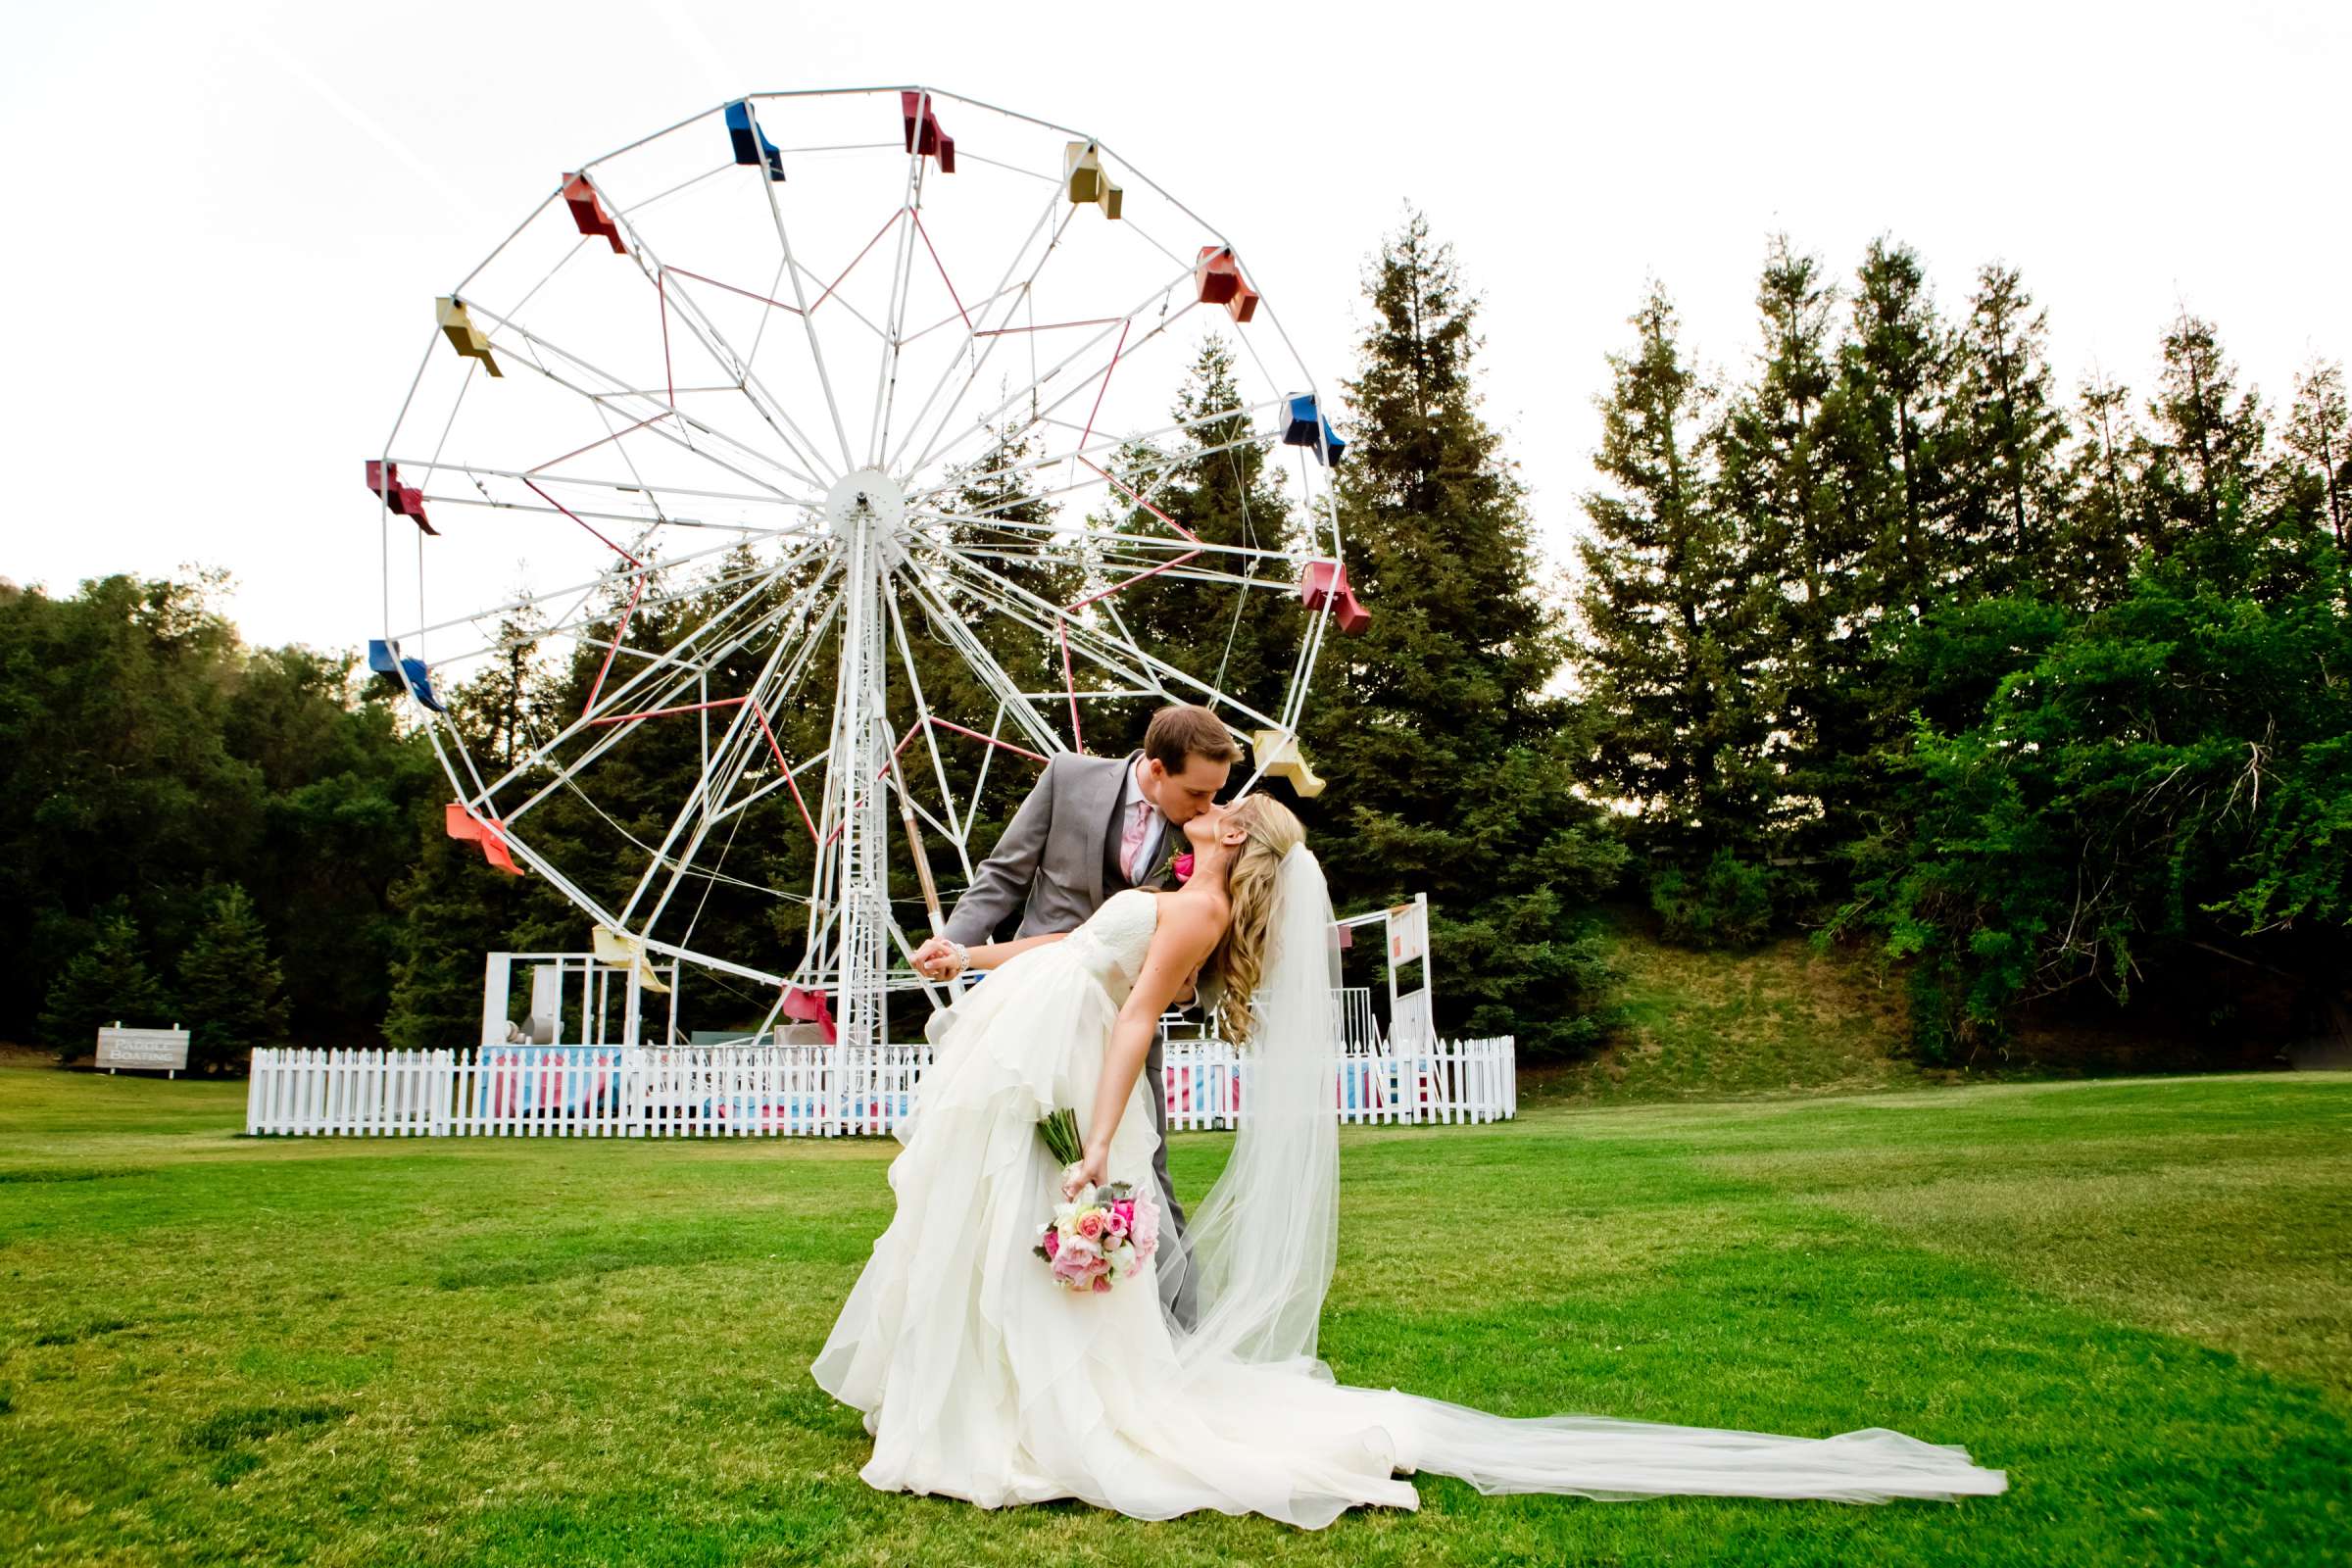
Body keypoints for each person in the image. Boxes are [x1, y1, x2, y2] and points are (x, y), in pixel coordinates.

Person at [811, 796, 2008, 1526]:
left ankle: (1033, 1405)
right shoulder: (1182, 894)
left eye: (1227, 808)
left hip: (1074, 1068)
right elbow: (1081, 941)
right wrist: (970, 964)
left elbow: (1131, 1018)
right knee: (983, 1220)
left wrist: (1100, 1148)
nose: (1214, 801)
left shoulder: (1195, 909)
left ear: (1234, 839)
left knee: (1027, 1218)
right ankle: (1003, 1386)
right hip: (1041, 1032)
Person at [910, 702, 1238, 1329]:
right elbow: (1004, 876)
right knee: (1008, 1160)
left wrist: (1184, 992)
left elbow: (1209, 942)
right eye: (1197, 791)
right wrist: (955, 947)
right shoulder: (1067, 777)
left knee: (1145, 1166)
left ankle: (1180, 1330)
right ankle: (1003, 1321)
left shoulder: (1206, 836)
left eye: (1215, 793)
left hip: (1125, 1014)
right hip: (1037, 1006)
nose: (1208, 806)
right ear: (1156, 769)